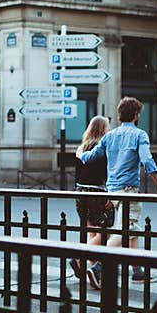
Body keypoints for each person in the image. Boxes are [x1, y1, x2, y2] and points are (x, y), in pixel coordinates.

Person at [78, 96, 157, 288]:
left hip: (112, 191)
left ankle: (137, 272)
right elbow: (147, 160)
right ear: (136, 115)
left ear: (119, 115)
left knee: (131, 229)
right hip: (128, 190)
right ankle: (97, 267)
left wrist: (81, 155)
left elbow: (91, 157)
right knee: (127, 229)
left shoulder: (110, 136)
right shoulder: (140, 135)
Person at [71, 116, 111, 287]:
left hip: (81, 193)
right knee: (105, 232)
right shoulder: (101, 148)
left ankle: (95, 273)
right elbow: (105, 174)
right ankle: (80, 258)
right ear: (103, 129)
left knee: (92, 233)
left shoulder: (81, 148)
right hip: (97, 193)